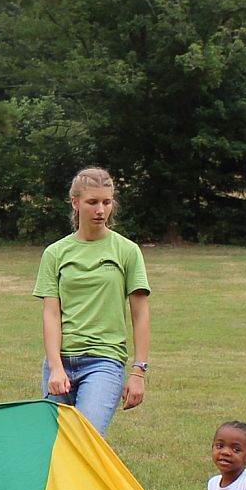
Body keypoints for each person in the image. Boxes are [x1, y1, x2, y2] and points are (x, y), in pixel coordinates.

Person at [32, 166, 151, 437]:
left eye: (107, 202)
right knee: (54, 446)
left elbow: (140, 314)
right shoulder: (55, 253)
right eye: (93, 202)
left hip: (104, 362)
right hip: (61, 361)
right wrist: (56, 368)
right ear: (76, 203)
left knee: (86, 440)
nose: (101, 210)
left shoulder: (127, 251)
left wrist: (138, 372)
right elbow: (51, 314)